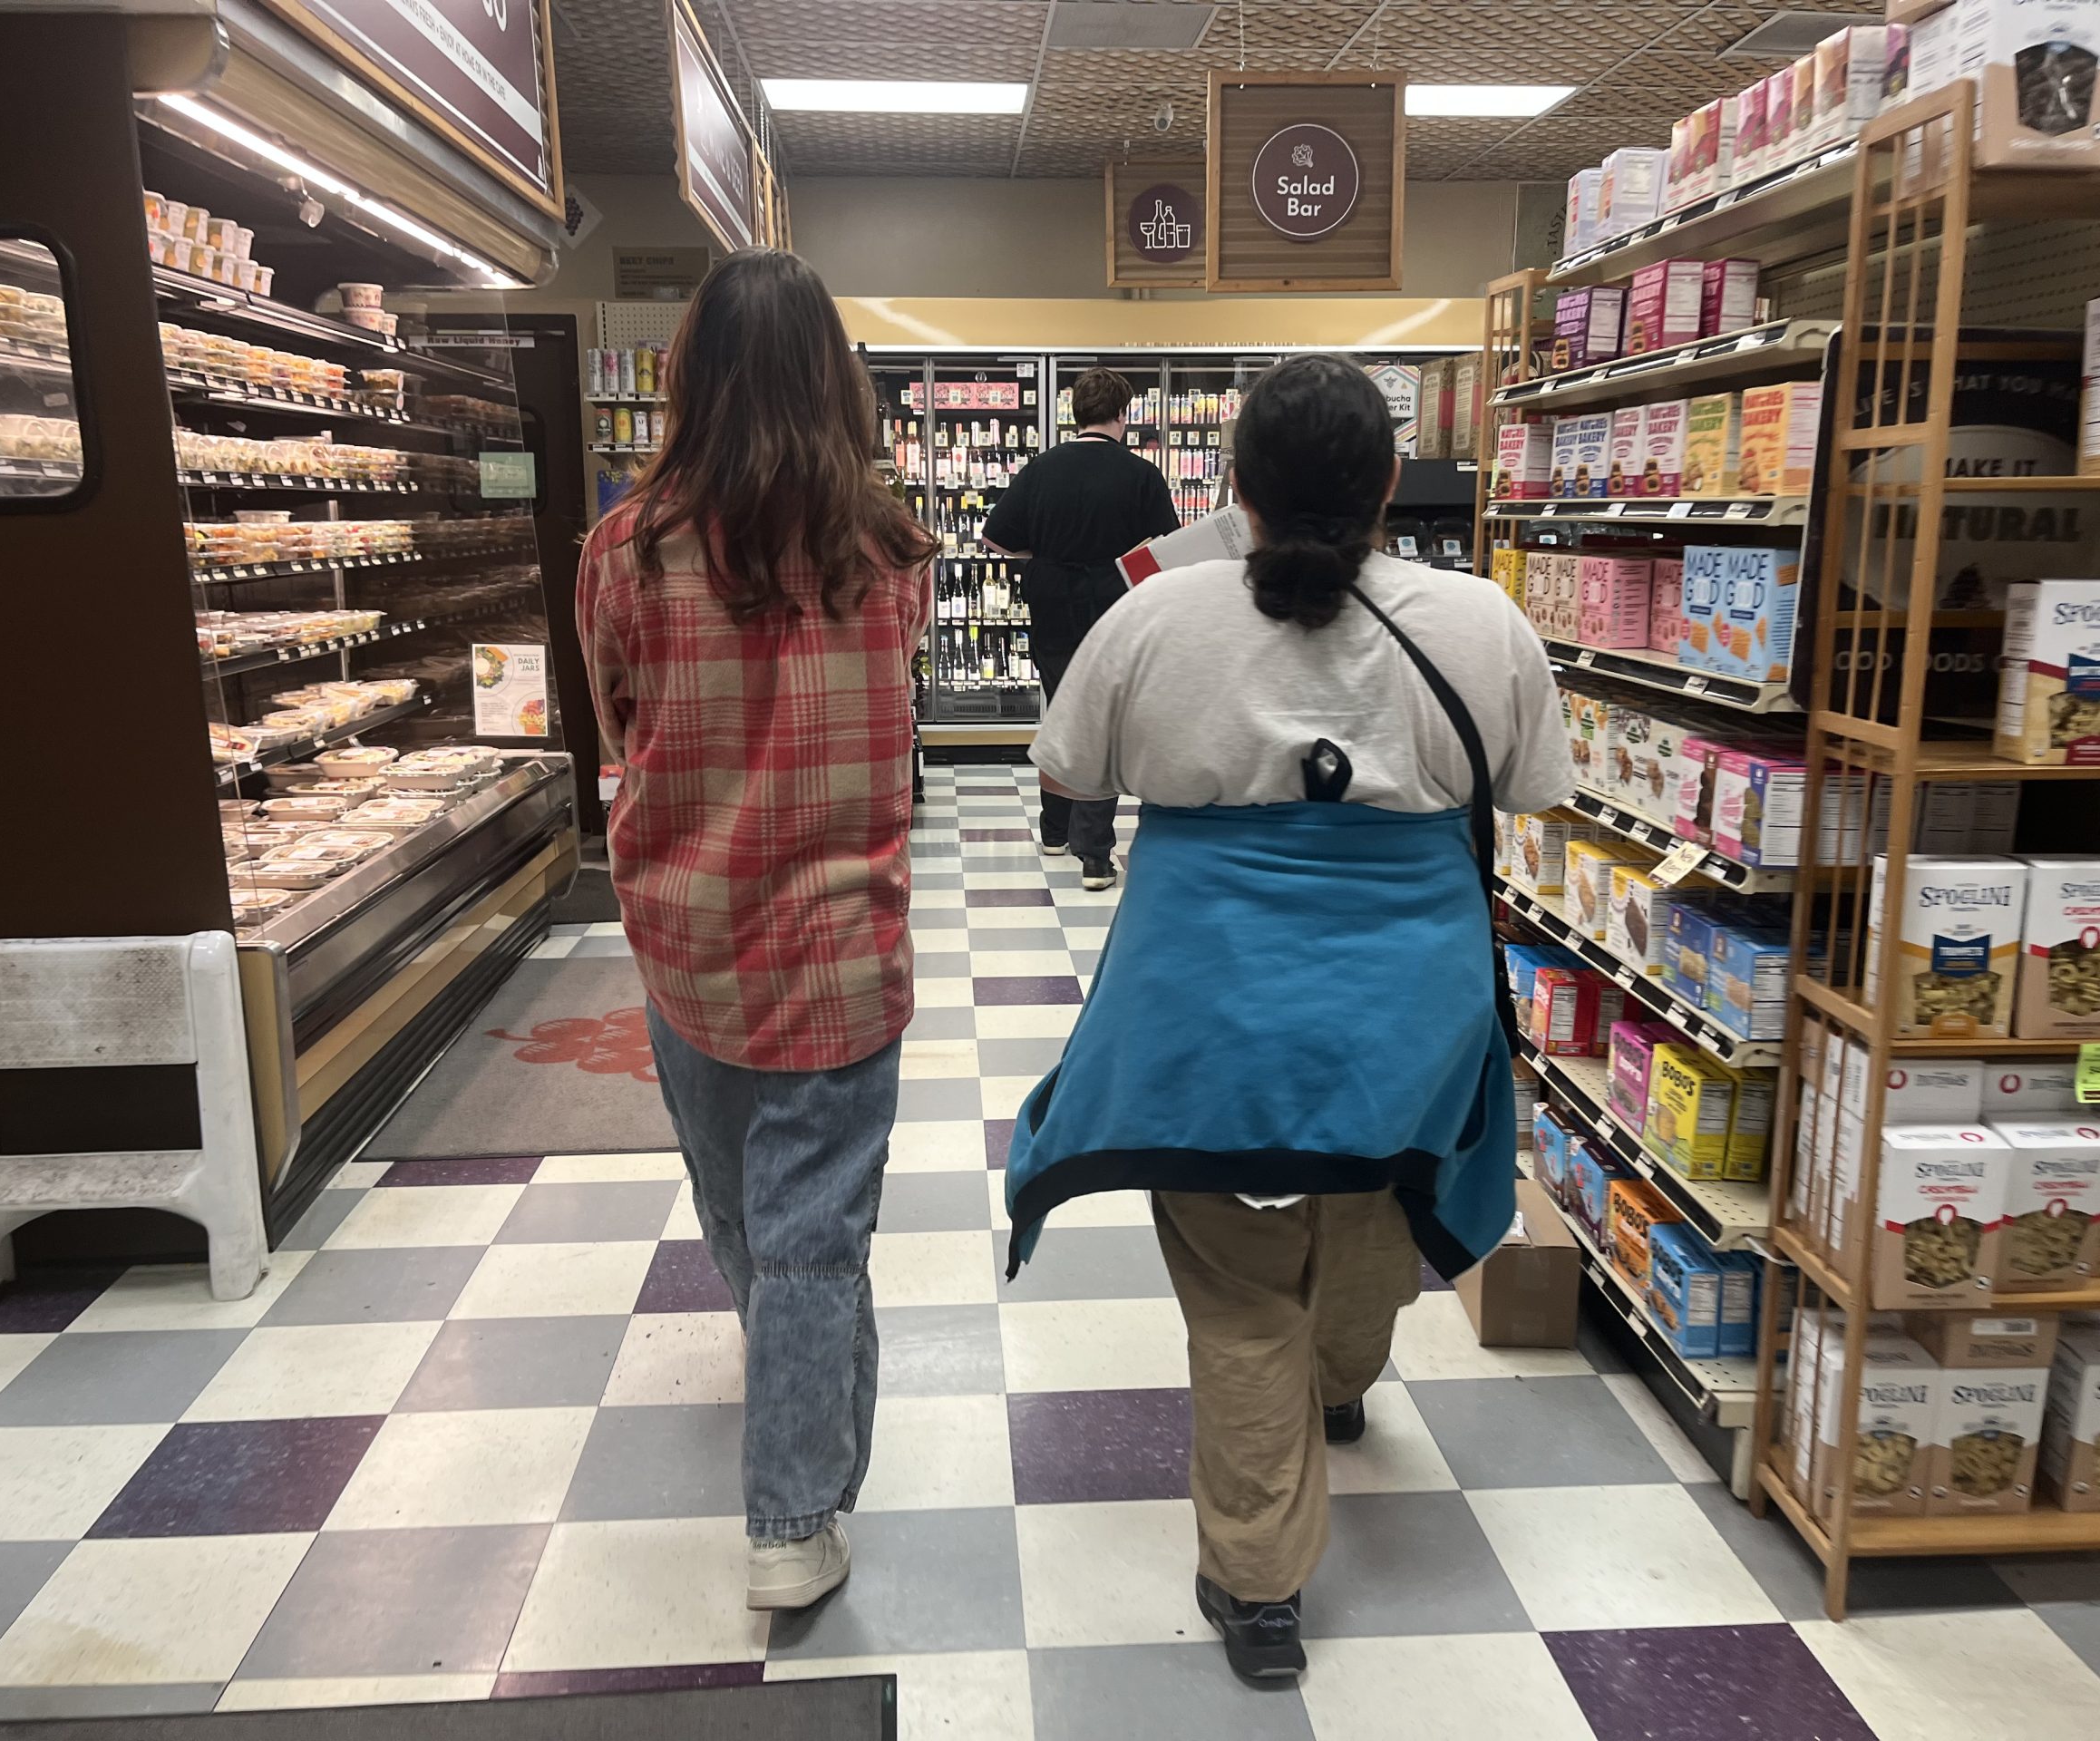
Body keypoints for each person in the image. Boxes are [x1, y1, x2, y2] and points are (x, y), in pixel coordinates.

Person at [999, 355, 1574, 1680]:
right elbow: (1536, 790)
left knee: (1238, 1288)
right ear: (1386, 483)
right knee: (1373, 1206)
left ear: (1235, 487)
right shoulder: (1482, 621)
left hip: (1203, 997)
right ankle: (1341, 1381)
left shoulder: (1158, 616)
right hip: (1406, 1003)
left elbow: (1067, 765)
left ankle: (1260, 1585)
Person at [576, 249, 936, 1612]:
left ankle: (792, 1500)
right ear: (837, 382)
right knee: (811, 1239)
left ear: (687, 377)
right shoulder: (891, 550)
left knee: (753, 1226)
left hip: (689, 936)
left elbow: (619, 723)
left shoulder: (623, 551)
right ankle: (797, 1512)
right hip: (844, 948)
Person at [981, 365, 1178, 888]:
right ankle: (1094, 854)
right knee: (1104, 718)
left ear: (1074, 413)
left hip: (1051, 599)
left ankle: (1053, 828)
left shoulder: (1041, 469)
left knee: (1062, 707)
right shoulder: (1141, 474)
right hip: (1113, 602)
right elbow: (1166, 548)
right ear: (1123, 414)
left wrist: (1039, 555)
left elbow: (995, 537)